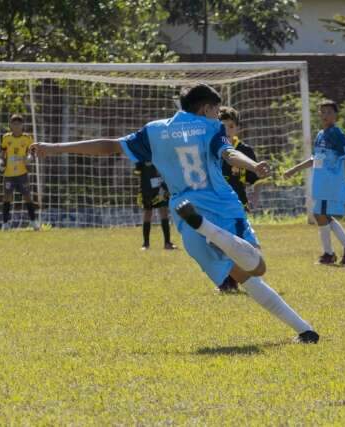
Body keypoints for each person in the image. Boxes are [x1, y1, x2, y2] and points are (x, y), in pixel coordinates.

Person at [30, 83, 320, 344]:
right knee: (257, 268)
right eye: (217, 111)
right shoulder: (211, 128)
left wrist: (55, 148)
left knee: (243, 276)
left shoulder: (155, 130)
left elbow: (111, 146)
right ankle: (208, 229)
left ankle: (305, 330)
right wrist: (253, 166)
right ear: (207, 108)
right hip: (220, 207)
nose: (219, 117)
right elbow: (227, 153)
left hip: (184, 213)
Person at [284, 99, 345, 266]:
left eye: (329, 112)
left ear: (335, 115)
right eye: (322, 112)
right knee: (323, 215)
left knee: (319, 215)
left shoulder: (337, 134)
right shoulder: (320, 135)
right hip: (321, 183)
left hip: (331, 184)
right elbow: (315, 159)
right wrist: (294, 169)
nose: (325, 115)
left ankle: (330, 253)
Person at [218, 106, 261, 292]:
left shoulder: (244, 151)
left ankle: (242, 277)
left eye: (231, 126)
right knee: (221, 243)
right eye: (223, 127)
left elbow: (256, 179)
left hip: (238, 204)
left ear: (237, 129)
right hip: (217, 204)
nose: (227, 131)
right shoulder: (213, 149)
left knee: (239, 242)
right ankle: (228, 280)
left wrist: (255, 195)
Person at [0, 114, 39, 231]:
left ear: (22, 125)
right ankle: (5, 224)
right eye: (14, 124)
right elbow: (3, 153)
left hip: (22, 173)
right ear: (10, 125)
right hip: (9, 174)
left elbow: (32, 152)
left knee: (27, 197)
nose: (16, 126)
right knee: (7, 197)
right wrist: (1, 162)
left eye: (19, 124)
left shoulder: (27, 138)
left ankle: (33, 222)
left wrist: (30, 158)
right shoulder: (6, 138)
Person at [135, 161, 177, 250]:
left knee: (164, 211)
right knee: (147, 213)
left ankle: (167, 243)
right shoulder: (142, 157)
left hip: (160, 187)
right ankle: (145, 244)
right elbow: (137, 171)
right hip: (147, 188)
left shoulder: (159, 154)